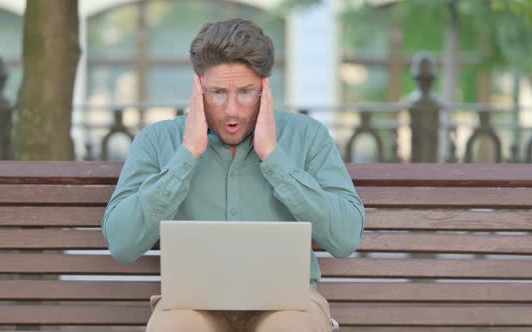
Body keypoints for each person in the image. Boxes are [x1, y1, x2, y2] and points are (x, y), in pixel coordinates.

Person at [102, 18, 364, 332]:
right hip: (191, 303)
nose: (231, 111)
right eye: (217, 92)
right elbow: (122, 243)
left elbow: (346, 237)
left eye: (246, 92)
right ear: (197, 86)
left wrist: (273, 157)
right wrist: (187, 155)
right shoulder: (157, 141)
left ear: (265, 87)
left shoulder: (308, 136)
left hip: (288, 304)